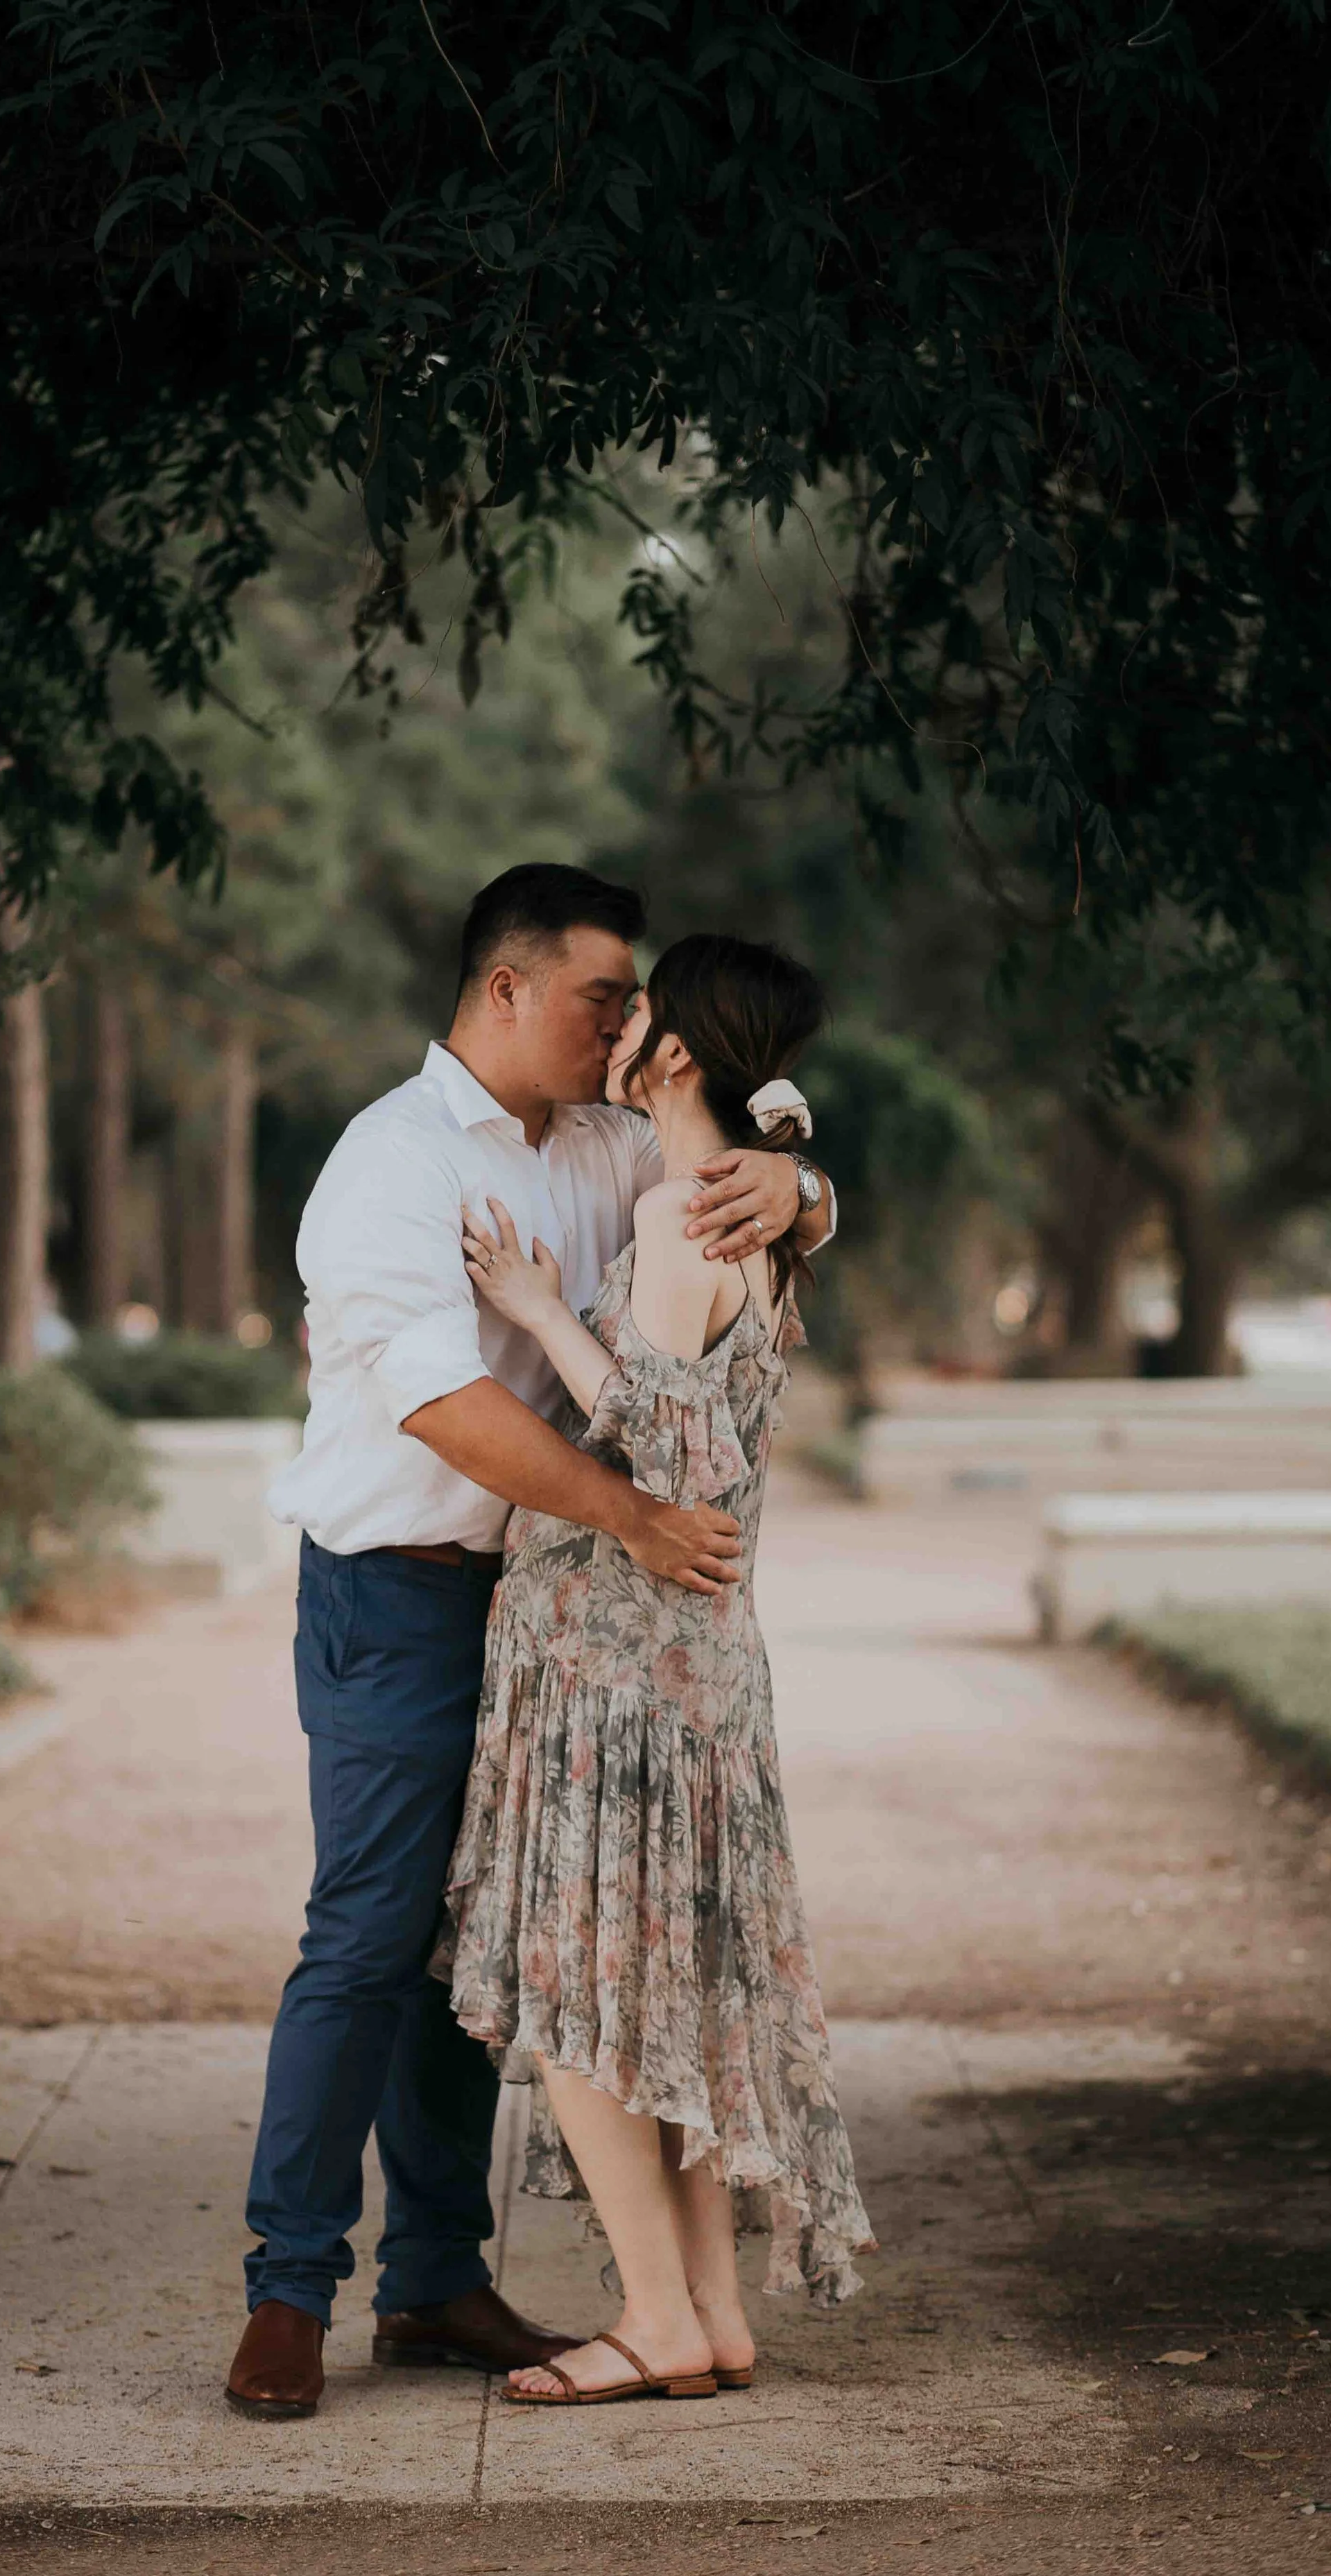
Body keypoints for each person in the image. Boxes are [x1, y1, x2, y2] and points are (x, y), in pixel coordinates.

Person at [225, 866, 832, 2421]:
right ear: (502, 988)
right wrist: (630, 1517)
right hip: (402, 1589)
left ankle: (434, 2279)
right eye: (599, 997)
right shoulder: (389, 1162)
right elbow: (442, 1401)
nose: (625, 1023)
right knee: (367, 1940)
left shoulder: (621, 1137)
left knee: (474, 1959)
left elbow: (732, 1141)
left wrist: (807, 1184)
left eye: (638, 1005)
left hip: (558, 1615)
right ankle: (290, 2286)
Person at [439, 932, 875, 2408]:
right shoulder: (747, 1209)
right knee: (662, 1999)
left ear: (675, 1052)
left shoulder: (690, 1221)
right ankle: (705, 2314)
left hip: (621, 1665)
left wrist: (534, 1302)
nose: (616, 1032)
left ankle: (651, 2318)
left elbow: (668, 1463)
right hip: (681, 1666)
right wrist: (804, 1158)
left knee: (575, 2004)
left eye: (638, 1017)